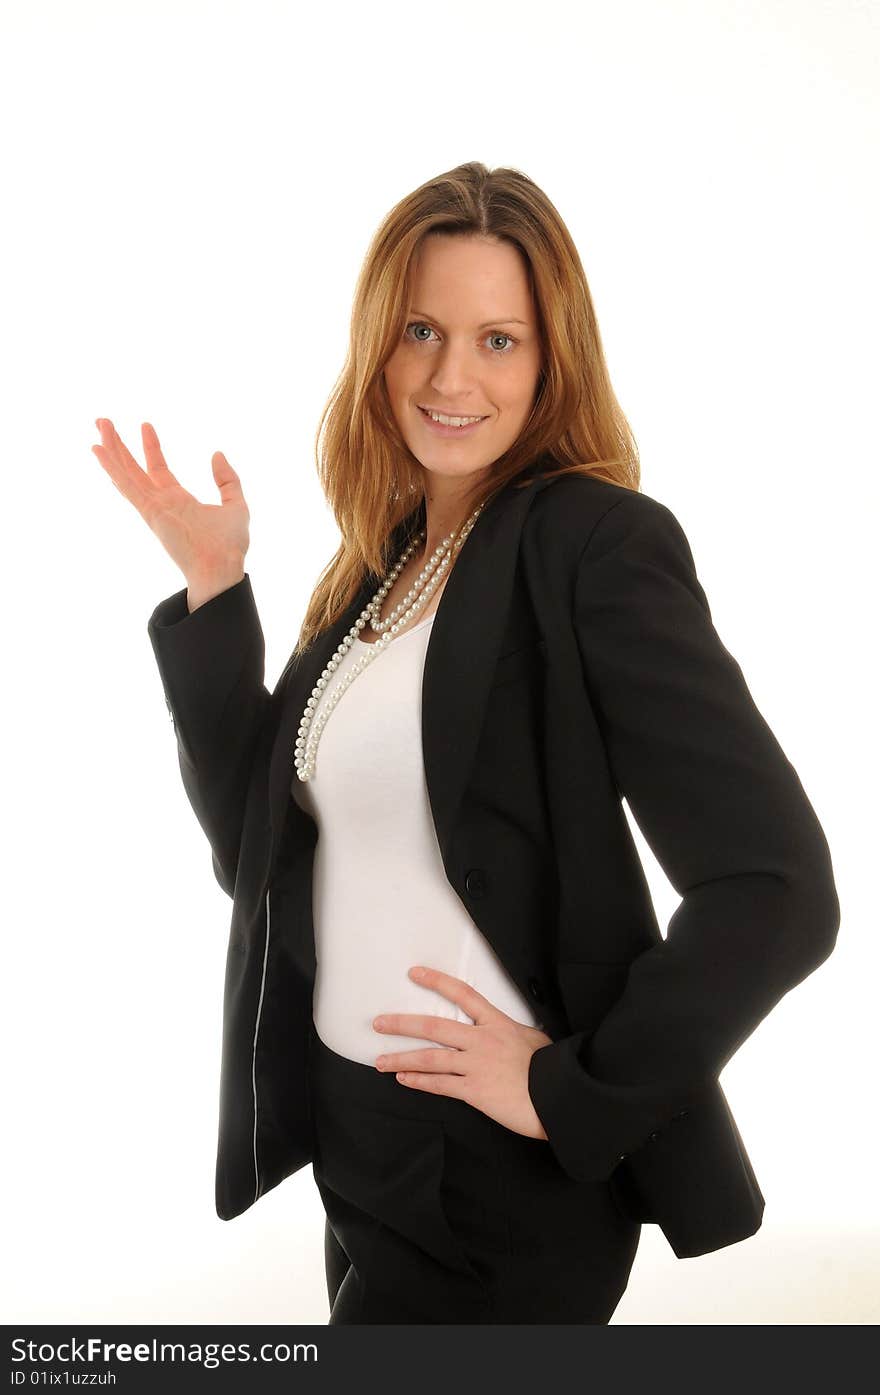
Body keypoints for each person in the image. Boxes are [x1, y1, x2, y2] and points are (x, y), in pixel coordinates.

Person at [91, 161, 840, 1324]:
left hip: (493, 1173)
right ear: (377, 346)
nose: (451, 376)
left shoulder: (594, 547)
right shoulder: (386, 566)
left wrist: (570, 1090)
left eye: (499, 340)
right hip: (358, 1137)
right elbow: (264, 861)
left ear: (551, 362)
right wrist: (213, 593)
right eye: (423, 331)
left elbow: (777, 890)